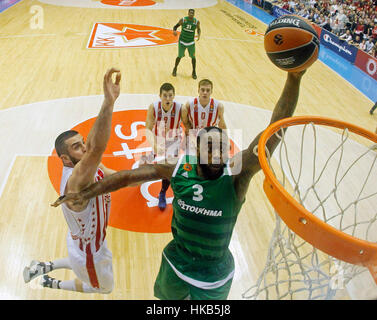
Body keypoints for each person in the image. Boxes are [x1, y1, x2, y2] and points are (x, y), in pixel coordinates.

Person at [51, 70, 306, 300]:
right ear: (196, 149)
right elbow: (127, 177)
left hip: (213, 273)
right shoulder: (179, 167)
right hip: (175, 262)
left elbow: (272, 134)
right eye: (209, 147)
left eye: (221, 147)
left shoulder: (236, 175)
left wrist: (293, 78)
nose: (216, 154)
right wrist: (86, 193)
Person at [23, 68, 121, 293]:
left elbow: (113, 176)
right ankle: (53, 283)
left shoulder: (87, 167)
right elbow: (96, 149)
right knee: (104, 288)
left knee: (87, 257)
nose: (84, 148)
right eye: (77, 147)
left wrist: (140, 178)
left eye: (82, 142)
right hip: (88, 252)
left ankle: (43, 266)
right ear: (65, 159)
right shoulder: (75, 181)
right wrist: (109, 102)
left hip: (84, 239)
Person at [144, 82, 183, 210]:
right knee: (148, 165)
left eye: (170, 95)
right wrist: (154, 145)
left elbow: (189, 127)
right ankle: (152, 155)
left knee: (168, 168)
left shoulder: (181, 108)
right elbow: (148, 128)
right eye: (165, 95)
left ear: (174, 96)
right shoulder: (153, 107)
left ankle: (162, 192)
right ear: (160, 96)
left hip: (174, 141)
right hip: (158, 139)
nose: (167, 98)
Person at [181, 79, 227, 154]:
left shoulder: (219, 106)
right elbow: (186, 123)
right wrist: (190, 138)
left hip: (210, 137)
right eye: (202, 90)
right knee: (190, 161)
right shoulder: (189, 104)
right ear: (198, 90)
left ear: (211, 91)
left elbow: (222, 125)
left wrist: (226, 139)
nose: (205, 93)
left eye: (208, 90)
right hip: (193, 135)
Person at [172, 9, 201, 80]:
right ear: (188, 13)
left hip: (191, 42)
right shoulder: (183, 20)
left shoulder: (196, 22)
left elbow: (199, 29)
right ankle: (175, 68)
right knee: (179, 56)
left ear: (194, 14)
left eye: (192, 13)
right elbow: (175, 26)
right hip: (182, 42)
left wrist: (199, 35)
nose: (191, 14)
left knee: (193, 57)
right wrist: (174, 31)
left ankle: (194, 71)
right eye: (190, 13)